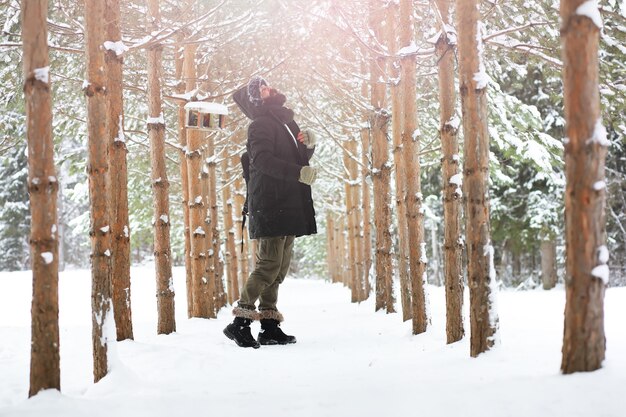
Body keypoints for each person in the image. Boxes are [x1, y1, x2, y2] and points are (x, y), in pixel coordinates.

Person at [224, 76, 317, 349]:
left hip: (288, 203)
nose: (268, 89)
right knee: (268, 267)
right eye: (261, 90)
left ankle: (269, 326)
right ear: (256, 100)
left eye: (266, 85)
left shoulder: (284, 121)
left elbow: (298, 160)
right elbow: (262, 161)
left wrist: (308, 145)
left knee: (279, 269)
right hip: (270, 204)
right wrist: (298, 172)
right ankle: (239, 323)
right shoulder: (260, 125)